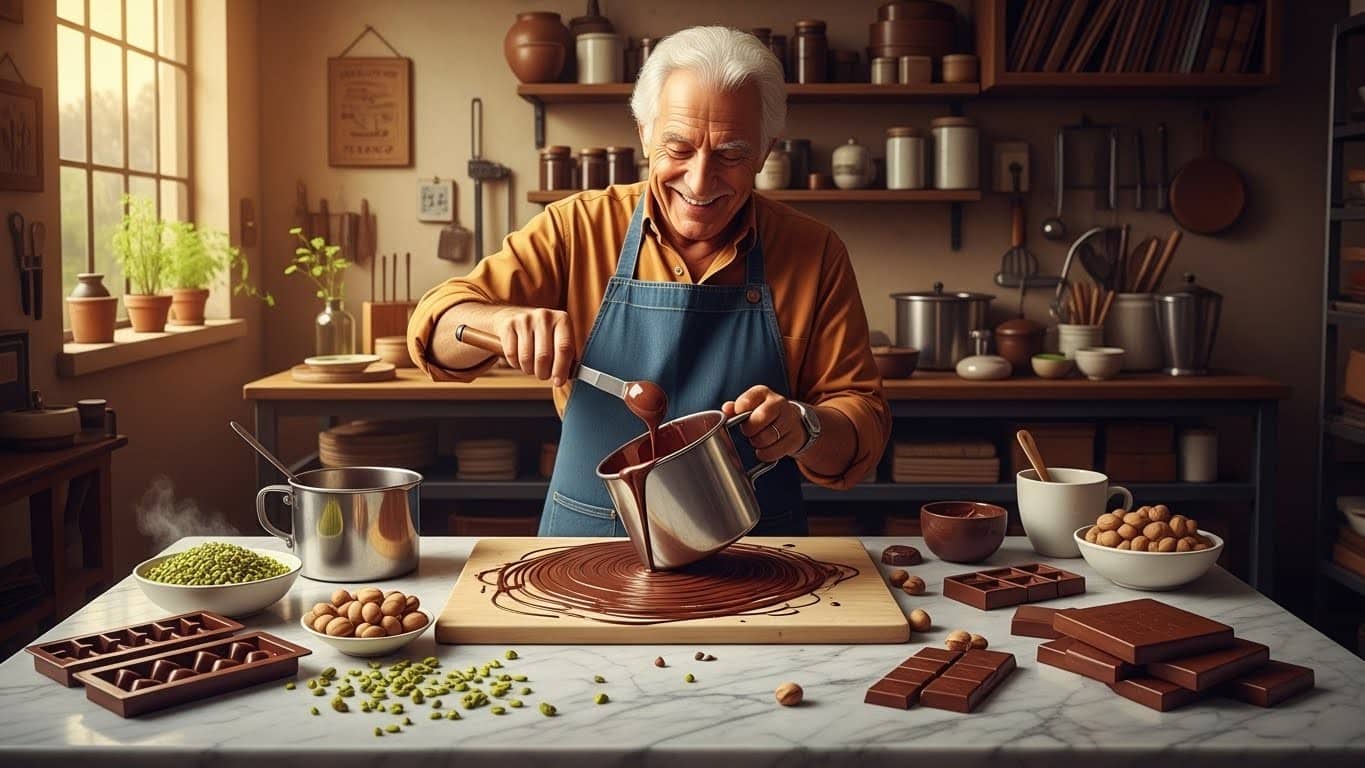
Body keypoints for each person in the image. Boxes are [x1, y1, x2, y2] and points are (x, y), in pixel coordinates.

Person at [408, 26, 889, 536]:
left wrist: (805, 426)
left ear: (766, 151)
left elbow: (863, 425)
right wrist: (497, 321)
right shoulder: (577, 229)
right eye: (678, 148)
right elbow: (436, 327)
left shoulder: (814, 253)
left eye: (730, 154)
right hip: (585, 547)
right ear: (644, 132)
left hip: (755, 558)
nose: (699, 182)